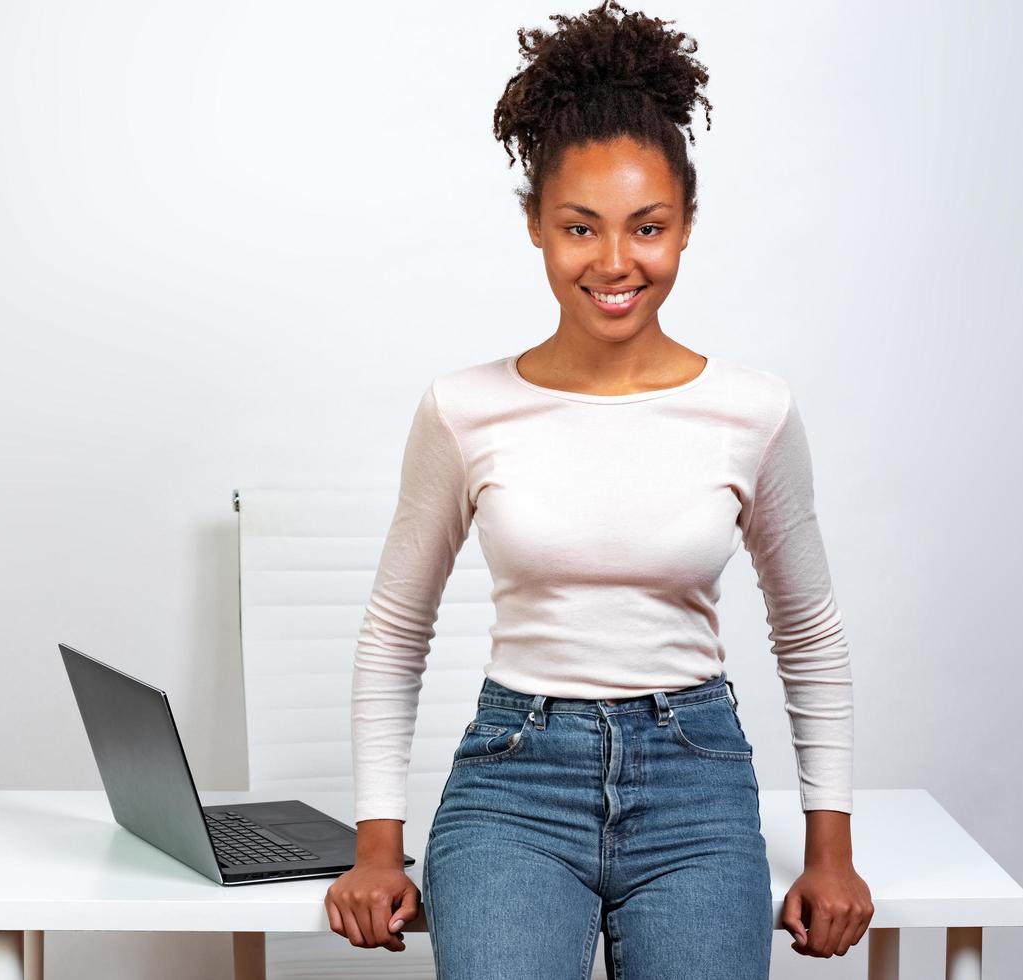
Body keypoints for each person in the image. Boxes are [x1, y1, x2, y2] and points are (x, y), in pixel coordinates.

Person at [325, 2, 874, 975]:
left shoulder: (752, 410)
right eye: (580, 227)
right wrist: (376, 844)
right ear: (535, 224)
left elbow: (808, 627)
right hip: (512, 783)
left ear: (685, 227)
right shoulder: (463, 409)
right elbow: (393, 625)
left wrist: (829, 852)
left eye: (646, 227)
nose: (615, 262)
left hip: (694, 782)